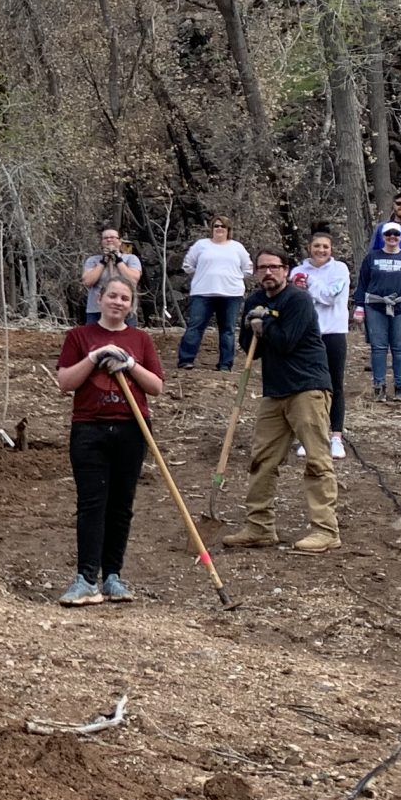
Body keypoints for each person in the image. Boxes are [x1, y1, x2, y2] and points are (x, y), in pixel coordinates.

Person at [52, 274, 165, 606]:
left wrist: (129, 364)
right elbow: (64, 382)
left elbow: (156, 387)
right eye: (112, 296)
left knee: (121, 504)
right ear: (99, 299)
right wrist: (94, 357)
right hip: (89, 428)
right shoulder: (79, 336)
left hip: (132, 428)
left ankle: (113, 575)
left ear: (131, 306)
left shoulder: (141, 339)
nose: (118, 302)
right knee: (91, 504)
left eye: (124, 299)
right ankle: (86, 578)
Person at [219, 250, 338, 553]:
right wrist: (250, 326)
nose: (268, 272)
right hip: (275, 391)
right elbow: (250, 350)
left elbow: (286, 341)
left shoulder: (297, 300)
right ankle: (259, 526)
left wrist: (266, 325)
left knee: (316, 458)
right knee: (263, 459)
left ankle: (326, 530)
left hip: (307, 387)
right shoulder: (254, 301)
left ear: (286, 270)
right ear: (256, 272)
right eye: (263, 268)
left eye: (274, 267)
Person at [354, 222, 401, 402]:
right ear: (383, 236)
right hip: (375, 306)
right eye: (388, 234)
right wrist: (359, 306)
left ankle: (400, 387)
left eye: (396, 234)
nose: (392, 237)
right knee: (378, 348)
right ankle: (379, 386)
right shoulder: (372, 257)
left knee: (400, 348)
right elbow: (362, 282)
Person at [298, 231, 352, 459]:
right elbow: (298, 300)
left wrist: (309, 283)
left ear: (331, 249)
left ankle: (336, 436)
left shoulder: (340, 270)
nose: (321, 250)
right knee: (308, 387)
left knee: (334, 384)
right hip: (308, 335)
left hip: (334, 333)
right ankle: (310, 435)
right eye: (317, 246)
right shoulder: (297, 270)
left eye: (325, 247)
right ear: (309, 247)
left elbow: (331, 297)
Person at [178, 217, 252, 372]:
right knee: (195, 326)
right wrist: (203, 276)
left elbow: (248, 268)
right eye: (216, 226)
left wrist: (233, 277)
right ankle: (186, 360)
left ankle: (226, 364)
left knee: (228, 329)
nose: (219, 228)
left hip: (231, 294)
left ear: (228, 229)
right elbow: (188, 265)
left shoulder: (237, 247)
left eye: (223, 226)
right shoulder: (201, 245)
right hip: (203, 292)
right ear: (211, 228)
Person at [81, 226, 143, 325]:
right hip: (96, 310)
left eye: (113, 237)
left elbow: (133, 279)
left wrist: (118, 261)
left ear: (120, 241)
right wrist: (103, 262)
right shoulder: (93, 260)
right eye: (105, 238)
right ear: (101, 242)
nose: (109, 240)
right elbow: (87, 281)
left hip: (124, 309)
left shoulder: (131, 258)